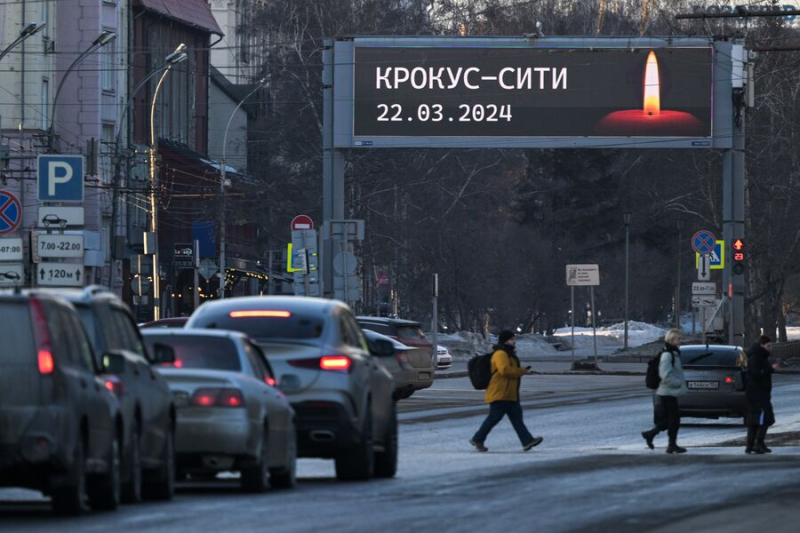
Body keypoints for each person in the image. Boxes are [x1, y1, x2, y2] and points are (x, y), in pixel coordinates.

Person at [469, 330, 543, 452]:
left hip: (509, 394)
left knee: (516, 418)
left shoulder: (508, 354)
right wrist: (521, 371)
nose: (514, 342)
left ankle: (527, 441)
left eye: (514, 340)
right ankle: (478, 438)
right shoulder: (500, 354)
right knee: (494, 418)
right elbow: (505, 370)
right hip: (500, 392)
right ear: (505, 341)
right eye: (511, 340)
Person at [641, 328, 688, 454]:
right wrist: (678, 383)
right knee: (674, 419)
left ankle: (652, 435)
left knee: (671, 420)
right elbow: (665, 374)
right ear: (671, 339)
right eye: (678, 338)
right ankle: (670, 444)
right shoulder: (668, 355)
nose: (680, 341)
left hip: (669, 391)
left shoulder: (673, 353)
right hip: (667, 391)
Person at [745, 335, 777, 455]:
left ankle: (751, 444)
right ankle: (758, 443)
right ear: (762, 345)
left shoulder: (759, 356)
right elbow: (757, 374)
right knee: (764, 419)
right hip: (757, 393)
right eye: (768, 346)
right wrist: (771, 369)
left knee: (756, 419)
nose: (770, 348)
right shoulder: (757, 357)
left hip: (757, 392)